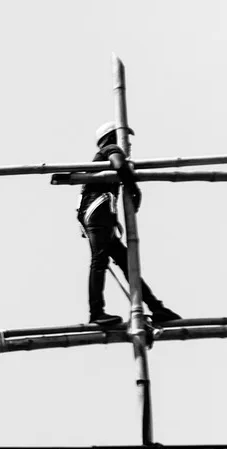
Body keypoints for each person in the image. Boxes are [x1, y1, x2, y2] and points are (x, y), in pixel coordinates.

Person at [77, 122, 181, 327]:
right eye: (124, 137)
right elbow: (119, 165)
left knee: (127, 263)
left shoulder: (103, 156)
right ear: (111, 137)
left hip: (100, 213)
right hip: (98, 211)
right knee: (100, 261)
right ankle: (96, 313)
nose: (128, 144)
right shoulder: (110, 150)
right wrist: (135, 188)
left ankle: (156, 307)